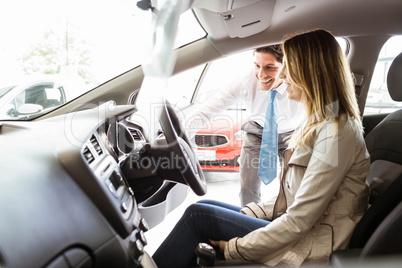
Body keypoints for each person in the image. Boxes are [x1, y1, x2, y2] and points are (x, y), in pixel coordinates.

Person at [152, 29, 371, 268]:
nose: (282, 75)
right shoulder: (318, 122)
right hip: (261, 139)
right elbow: (289, 201)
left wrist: (235, 247)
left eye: (288, 66)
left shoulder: (335, 133)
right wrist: (245, 214)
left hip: (313, 241)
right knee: (206, 207)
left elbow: (299, 220)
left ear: (311, 73)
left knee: (198, 217)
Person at [186, 45, 305, 206]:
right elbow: (206, 111)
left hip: (293, 134)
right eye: (257, 66)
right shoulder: (245, 80)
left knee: (294, 188)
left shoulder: (301, 84)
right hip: (256, 132)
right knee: (247, 188)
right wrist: (183, 137)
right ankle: (249, 223)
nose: (261, 74)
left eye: (270, 67)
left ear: (286, 67)